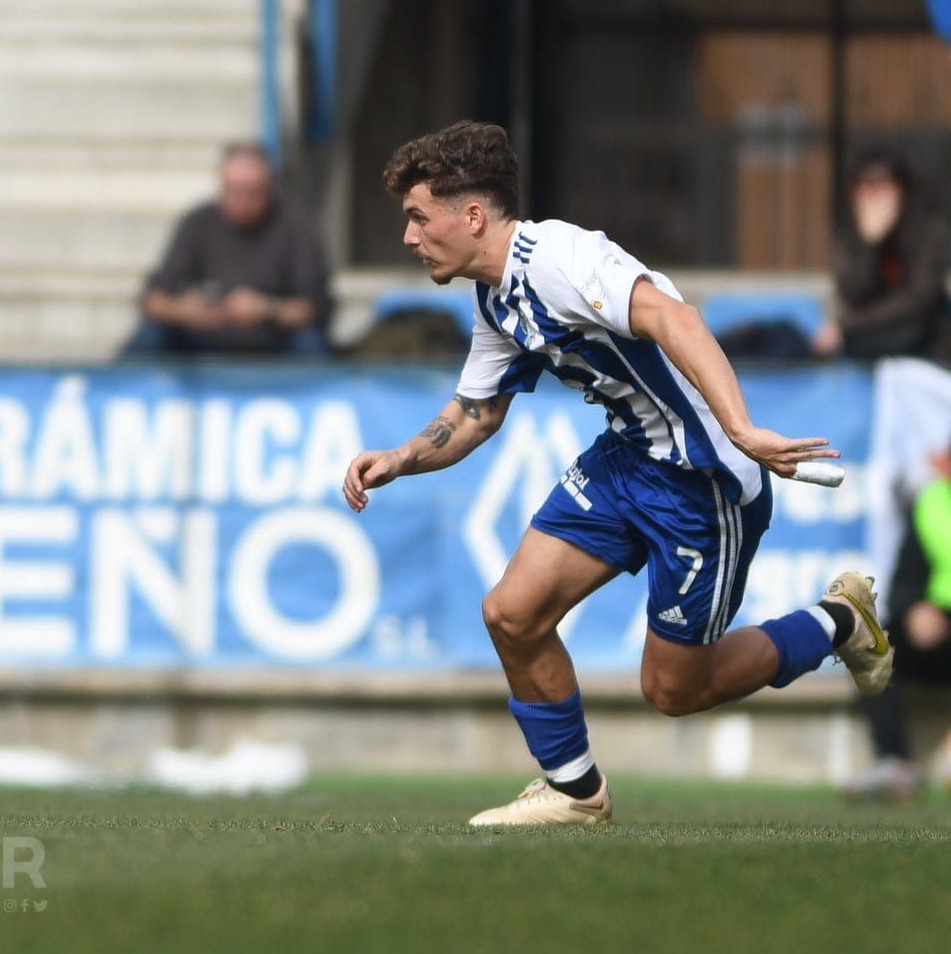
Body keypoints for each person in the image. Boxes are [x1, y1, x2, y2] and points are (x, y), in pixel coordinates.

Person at [341, 120, 892, 827]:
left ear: (472, 216)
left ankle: (839, 620)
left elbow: (675, 319)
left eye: (419, 218)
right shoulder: (494, 295)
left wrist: (740, 428)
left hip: (703, 484)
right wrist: (400, 458)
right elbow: (476, 415)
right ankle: (576, 793)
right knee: (511, 614)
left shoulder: (561, 257)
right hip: (626, 461)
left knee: (674, 691)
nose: (409, 237)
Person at [123, 143, 330, 357]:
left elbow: (315, 309)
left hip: (275, 343)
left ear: (269, 188)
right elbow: (153, 299)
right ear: (222, 186)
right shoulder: (198, 222)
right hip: (202, 342)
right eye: (234, 191)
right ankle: (116, 378)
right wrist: (184, 311)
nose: (243, 201)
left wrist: (267, 309)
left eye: (252, 192)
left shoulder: (297, 224)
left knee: (310, 343)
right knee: (151, 336)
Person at [846, 448, 951, 801]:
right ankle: (894, 762)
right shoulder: (932, 503)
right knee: (868, 646)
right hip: (937, 634)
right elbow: (903, 585)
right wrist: (914, 611)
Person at [812, 150, 949, 363]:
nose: (873, 196)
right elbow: (852, 294)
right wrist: (869, 244)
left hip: (924, 341)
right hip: (869, 341)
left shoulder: (928, 231)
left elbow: (919, 299)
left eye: (882, 185)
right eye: (865, 186)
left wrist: (846, 324)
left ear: (902, 189)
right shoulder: (849, 233)